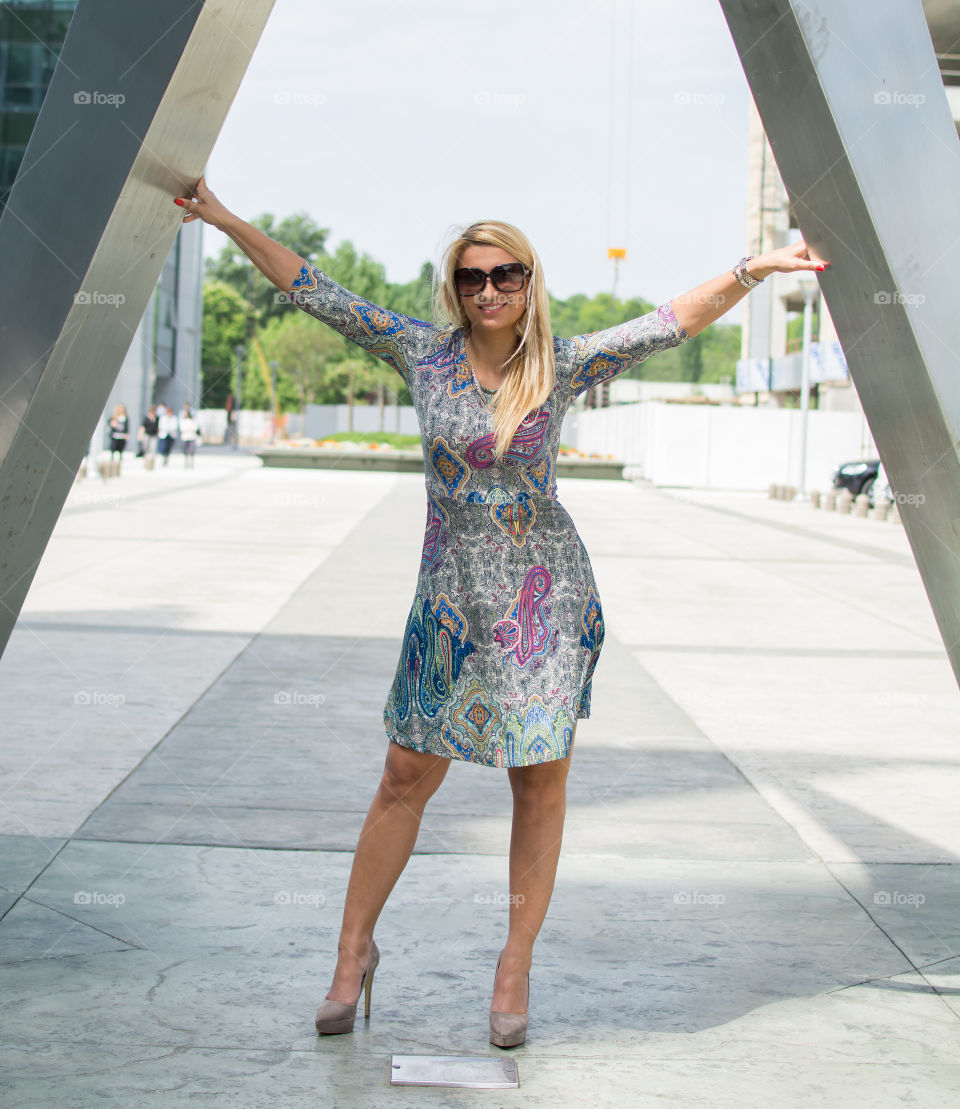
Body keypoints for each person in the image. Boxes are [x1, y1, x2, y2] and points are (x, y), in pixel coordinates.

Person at [175, 176, 829, 1048]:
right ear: (455, 286)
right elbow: (314, 289)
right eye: (473, 276)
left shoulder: (560, 364)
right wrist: (220, 217)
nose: (489, 290)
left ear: (530, 281)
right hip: (449, 600)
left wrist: (754, 268)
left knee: (539, 779)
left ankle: (514, 962)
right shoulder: (420, 353)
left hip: (542, 599)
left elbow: (667, 322)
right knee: (405, 772)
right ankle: (352, 951)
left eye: (506, 274)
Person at [108, 404, 129, 472]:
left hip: (122, 435)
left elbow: (127, 426)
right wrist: (112, 424)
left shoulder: (125, 417)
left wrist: (126, 434)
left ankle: (120, 458)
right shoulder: (115, 416)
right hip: (115, 435)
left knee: (121, 447)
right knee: (114, 447)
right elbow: (109, 422)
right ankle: (112, 458)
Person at [179, 403, 200, 468]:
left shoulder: (193, 420)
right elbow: (182, 428)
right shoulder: (183, 420)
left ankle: (191, 463)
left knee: (191, 450)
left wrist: (189, 429)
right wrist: (189, 428)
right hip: (185, 437)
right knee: (185, 450)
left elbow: (195, 427)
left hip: (191, 437)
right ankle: (186, 463)